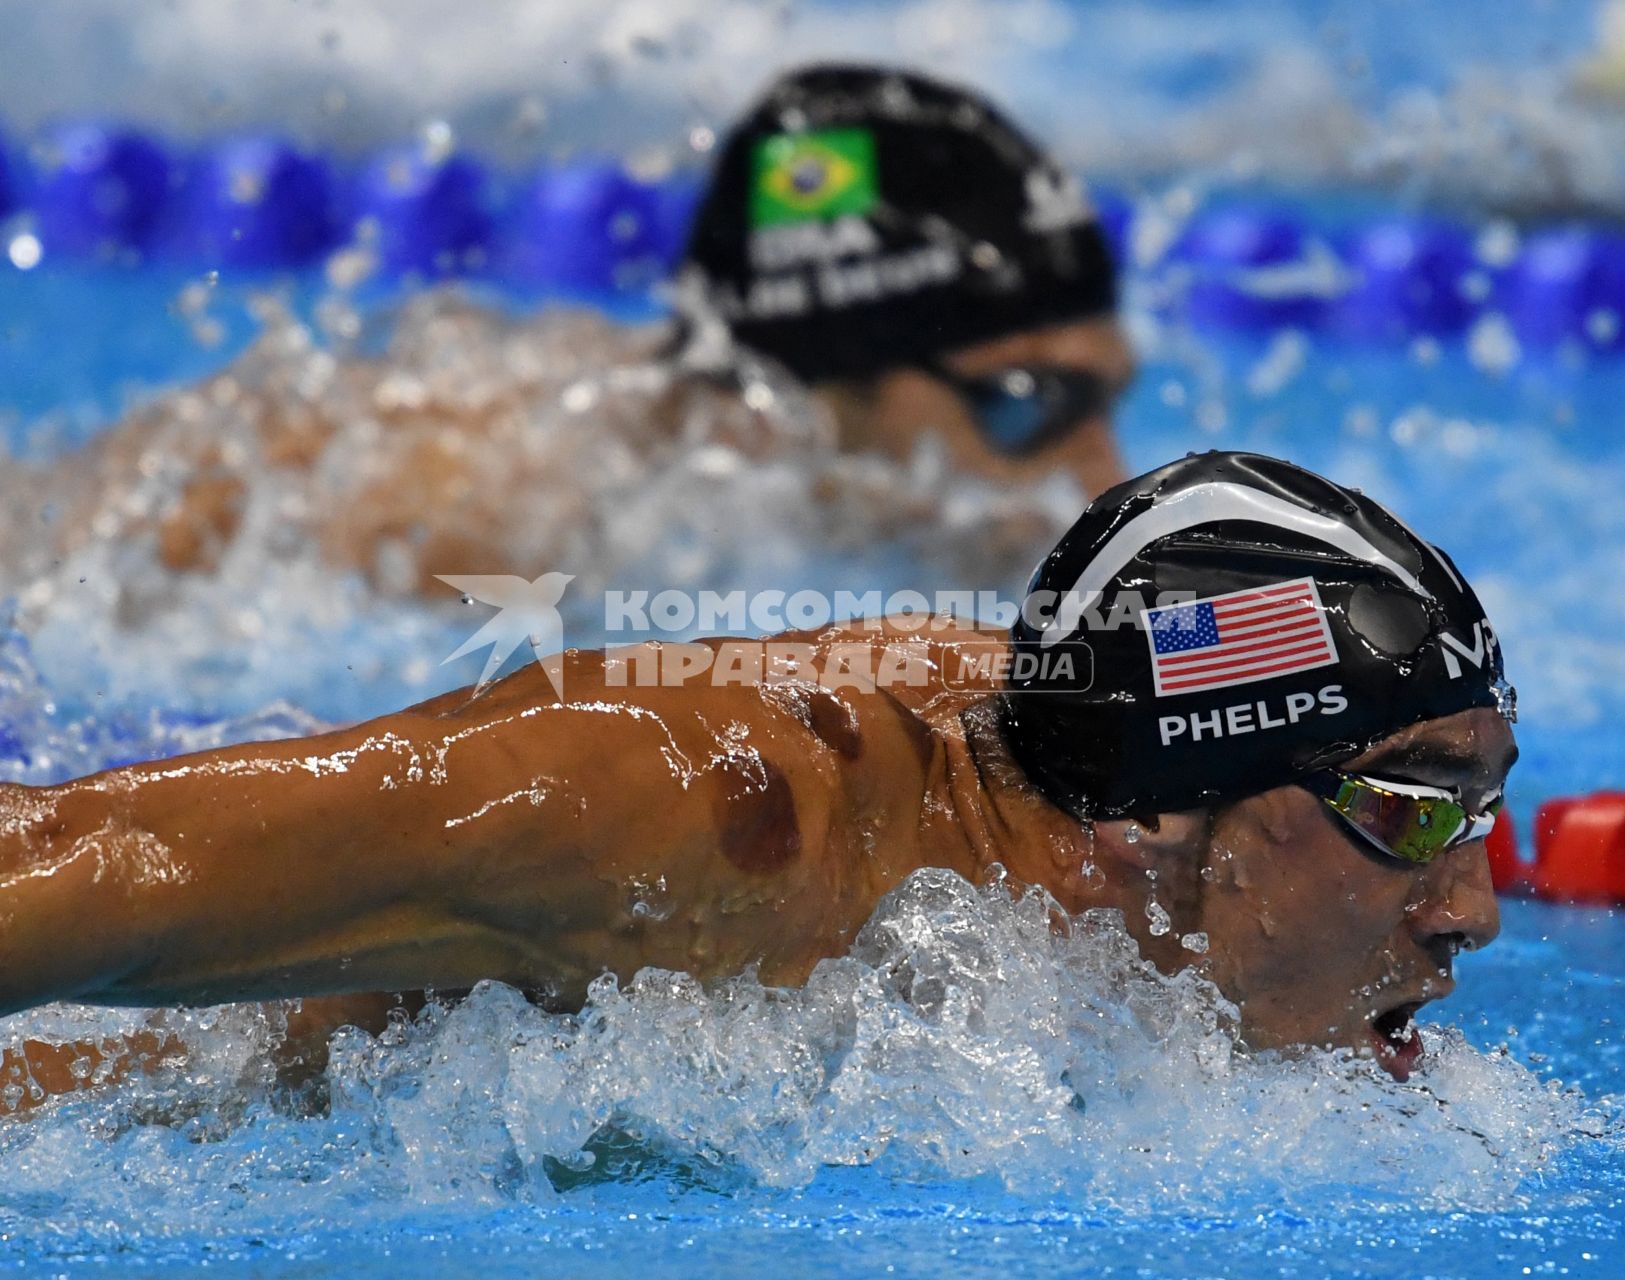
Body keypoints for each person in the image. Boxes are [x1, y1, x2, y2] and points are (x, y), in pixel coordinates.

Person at [0, 452, 1514, 1111]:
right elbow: (97, 857)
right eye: (1408, 808)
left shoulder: (1081, 762)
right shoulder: (720, 817)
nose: (1473, 912)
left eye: (1486, 804)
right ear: (1151, 822)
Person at [0, 64, 1131, 597]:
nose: (1097, 477)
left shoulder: (815, 504)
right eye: (1026, 405)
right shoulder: (476, 498)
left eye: (1106, 401)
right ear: (818, 392)